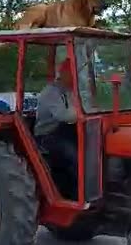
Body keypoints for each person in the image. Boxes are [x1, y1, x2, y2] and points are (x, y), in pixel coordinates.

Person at [34, 58, 78, 199]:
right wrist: (85, 111)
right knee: (75, 155)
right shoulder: (51, 92)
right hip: (47, 135)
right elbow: (64, 115)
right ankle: (76, 195)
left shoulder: (68, 91)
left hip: (64, 132)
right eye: (73, 75)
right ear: (64, 74)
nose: (75, 79)